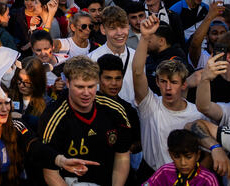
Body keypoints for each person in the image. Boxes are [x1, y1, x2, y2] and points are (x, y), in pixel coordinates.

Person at [39, 56, 132, 186]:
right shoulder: (53, 117)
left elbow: (122, 155)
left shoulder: (115, 111)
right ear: (68, 83)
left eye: (91, 86)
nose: (86, 93)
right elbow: (50, 171)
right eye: (80, 87)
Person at [133, 15, 203, 173]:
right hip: (151, 174)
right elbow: (137, 73)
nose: (168, 88)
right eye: (164, 82)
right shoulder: (149, 105)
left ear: (184, 84)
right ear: (157, 83)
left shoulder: (197, 113)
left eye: (174, 82)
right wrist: (144, 37)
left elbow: (204, 152)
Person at [144, 129, 219, 186]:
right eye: (177, 157)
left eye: (188, 157)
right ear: (170, 155)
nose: (183, 163)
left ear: (198, 155)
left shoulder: (208, 179)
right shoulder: (165, 172)